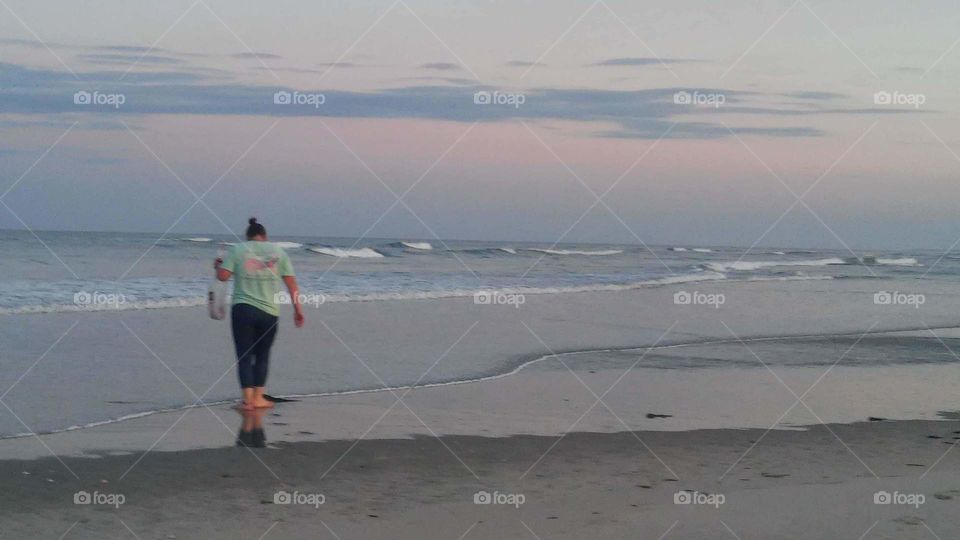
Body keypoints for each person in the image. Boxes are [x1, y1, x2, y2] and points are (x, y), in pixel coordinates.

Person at [215, 217, 304, 411]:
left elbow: (222, 277)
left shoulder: (238, 250)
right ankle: (258, 399)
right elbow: (291, 284)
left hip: (243, 309)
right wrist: (298, 310)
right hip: (269, 312)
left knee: (244, 355)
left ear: (247, 237)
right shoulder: (279, 252)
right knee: (263, 355)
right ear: (264, 236)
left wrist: (217, 267)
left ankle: (247, 401)